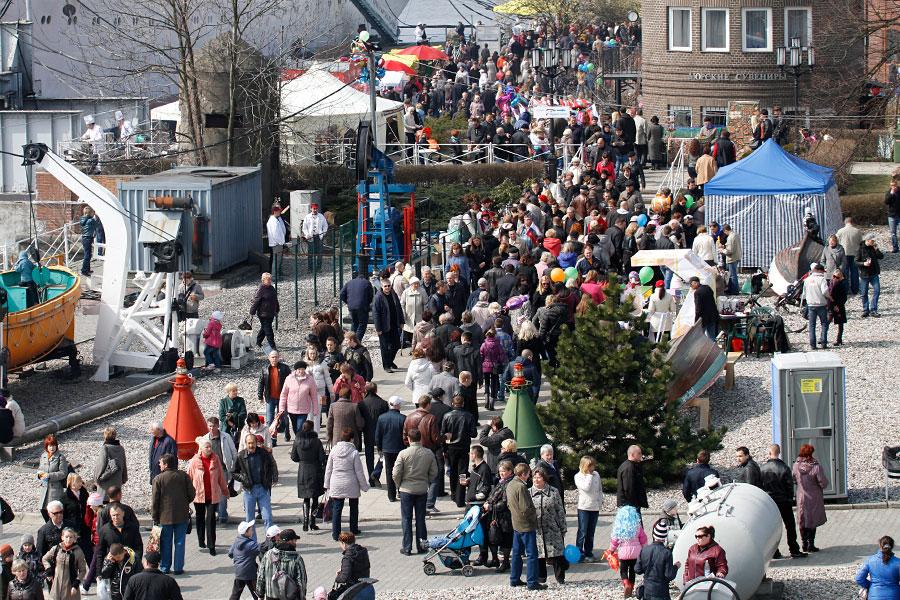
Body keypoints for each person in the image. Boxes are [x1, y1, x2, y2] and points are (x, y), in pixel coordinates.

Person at [392, 428, 437, 555]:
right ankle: (422, 546)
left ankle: (407, 547)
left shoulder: (403, 453)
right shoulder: (428, 453)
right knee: (420, 519)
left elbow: (396, 473)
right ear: (420, 438)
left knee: (406, 519)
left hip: (406, 489)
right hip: (422, 489)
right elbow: (434, 472)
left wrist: (399, 484)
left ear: (409, 439)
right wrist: (426, 481)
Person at [151, 454, 194, 575]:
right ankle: (178, 568)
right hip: (182, 515)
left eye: (160, 462)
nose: (159, 464)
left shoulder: (158, 479)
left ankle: (165, 567)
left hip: (164, 517)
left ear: (166, 464)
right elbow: (191, 494)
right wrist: (184, 502)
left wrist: (155, 516)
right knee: (180, 542)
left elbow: (155, 501)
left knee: (166, 543)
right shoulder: (183, 476)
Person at [760, 444, 806, 559]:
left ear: (769, 453)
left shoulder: (762, 468)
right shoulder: (784, 468)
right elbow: (789, 486)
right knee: (790, 526)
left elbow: (760, 486)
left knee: (771, 528)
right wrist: (790, 500)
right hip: (783, 501)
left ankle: (774, 552)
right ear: (779, 453)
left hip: (769, 502)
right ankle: (794, 550)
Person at [324, 428, 370, 541]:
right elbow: (359, 471)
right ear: (351, 439)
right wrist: (364, 486)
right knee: (353, 506)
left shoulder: (334, 450)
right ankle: (353, 529)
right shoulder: (354, 452)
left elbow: (328, 469)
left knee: (337, 508)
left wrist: (326, 484)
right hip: (351, 482)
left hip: (336, 482)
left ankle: (336, 533)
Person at [506, 463, 544, 591]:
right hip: (526, 525)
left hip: (516, 523)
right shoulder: (521, 487)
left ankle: (514, 579)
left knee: (517, 553)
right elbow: (525, 508)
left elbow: (509, 504)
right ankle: (532, 582)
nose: (529, 477)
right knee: (532, 554)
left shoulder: (510, 484)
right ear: (523, 474)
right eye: (528, 474)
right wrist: (534, 517)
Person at [186, 439, 228, 556]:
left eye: (210, 447)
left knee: (211, 520)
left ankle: (211, 545)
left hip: (212, 495)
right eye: (207, 447)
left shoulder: (215, 459)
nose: (209, 449)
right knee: (200, 518)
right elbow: (189, 478)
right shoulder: (194, 461)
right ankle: (201, 540)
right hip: (199, 495)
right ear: (201, 449)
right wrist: (187, 495)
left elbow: (220, 476)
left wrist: (225, 490)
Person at [232, 434, 278, 537]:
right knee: (250, 519)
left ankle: (270, 541)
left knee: (267, 517)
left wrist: (273, 477)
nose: (251, 445)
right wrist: (243, 478)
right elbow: (234, 472)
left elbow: (272, 464)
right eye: (249, 443)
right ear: (245, 443)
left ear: (256, 443)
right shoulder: (241, 456)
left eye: (253, 443)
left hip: (263, 488)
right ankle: (252, 542)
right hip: (249, 491)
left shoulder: (264, 453)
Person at [530, 467, 567, 585]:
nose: (536, 480)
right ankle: (541, 578)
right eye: (534, 477)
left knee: (557, 553)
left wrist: (563, 527)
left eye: (539, 477)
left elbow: (560, 510)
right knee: (539, 553)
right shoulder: (528, 492)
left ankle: (560, 578)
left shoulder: (553, 491)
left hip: (552, 528)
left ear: (544, 479)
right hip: (537, 530)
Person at [441, 396, 477, 507]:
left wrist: (444, 448)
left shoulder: (447, 416)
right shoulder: (469, 416)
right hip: (464, 447)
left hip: (451, 447)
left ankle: (454, 494)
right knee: (462, 472)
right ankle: (460, 498)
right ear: (463, 403)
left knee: (452, 471)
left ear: (452, 403)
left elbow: (443, 433)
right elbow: (474, 434)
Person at [290, 420, 326, 532]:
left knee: (306, 498)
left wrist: (302, 460)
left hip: (303, 471)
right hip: (315, 470)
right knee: (315, 498)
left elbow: (294, 457)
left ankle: (305, 522)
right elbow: (321, 458)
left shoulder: (297, 440)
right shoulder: (317, 441)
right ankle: (312, 522)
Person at [793, 444, 828, 553]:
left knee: (802, 520)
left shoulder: (796, 465)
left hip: (801, 496)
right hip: (814, 497)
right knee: (812, 520)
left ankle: (804, 544)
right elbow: (823, 483)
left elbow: (793, 478)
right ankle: (811, 545)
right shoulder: (816, 467)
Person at [256, 529, 307, 600]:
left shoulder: (268, 555)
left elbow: (261, 576)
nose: (296, 542)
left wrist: (260, 595)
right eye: (295, 540)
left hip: (271, 596)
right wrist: (302, 597)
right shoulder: (297, 558)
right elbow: (301, 581)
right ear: (290, 541)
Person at [635, 520, 679, 600]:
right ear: (664, 537)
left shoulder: (644, 550)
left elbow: (638, 570)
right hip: (661, 591)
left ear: (654, 535)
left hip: (647, 590)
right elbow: (669, 575)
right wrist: (676, 567)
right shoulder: (667, 553)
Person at [610, 505, 647, 597]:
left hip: (623, 554)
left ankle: (626, 584)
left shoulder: (619, 528)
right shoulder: (637, 526)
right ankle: (631, 587)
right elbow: (643, 539)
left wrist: (611, 550)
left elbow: (614, 541)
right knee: (632, 572)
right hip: (636, 554)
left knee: (623, 570)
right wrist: (645, 549)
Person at [42, 527, 86, 600]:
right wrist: (48, 569)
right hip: (57, 585)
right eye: (66, 537)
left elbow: (83, 570)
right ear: (62, 537)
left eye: (71, 537)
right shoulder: (56, 548)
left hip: (70, 586)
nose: (68, 539)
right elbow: (44, 558)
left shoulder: (78, 552)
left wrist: (76, 583)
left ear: (74, 539)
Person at [257, 351, 291, 448]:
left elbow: (291, 381)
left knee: (283, 418)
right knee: (269, 420)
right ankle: (272, 440)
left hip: (282, 398)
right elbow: (261, 383)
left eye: (276, 357)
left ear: (279, 357)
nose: (274, 359)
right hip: (270, 398)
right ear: (269, 358)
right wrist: (260, 396)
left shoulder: (285, 368)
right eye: (272, 357)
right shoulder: (264, 369)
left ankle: (286, 432)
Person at [278, 360, 317, 441]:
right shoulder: (289, 379)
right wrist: (281, 408)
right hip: (291, 409)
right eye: (299, 369)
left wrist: (315, 409)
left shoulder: (310, 380)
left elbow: (314, 396)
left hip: (304, 409)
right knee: (295, 428)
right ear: (296, 370)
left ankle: (299, 442)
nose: (301, 371)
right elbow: (283, 394)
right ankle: (299, 441)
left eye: (303, 369)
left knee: (300, 427)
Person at [574, 455, 603, 563]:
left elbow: (599, 489)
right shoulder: (578, 476)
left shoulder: (596, 475)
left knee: (591, 532)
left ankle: (588, 552)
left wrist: (600, 501)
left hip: (594, 507)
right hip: (584, 507)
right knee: (582, 532)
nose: (593, 468)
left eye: (593, 466)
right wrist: (589, 476)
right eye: (590, 466)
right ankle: (579, 554)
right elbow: (586, 487)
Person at [855, 536, 900, 600]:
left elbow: (858, 578)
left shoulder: (870, 560)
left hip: (874, 595)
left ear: (880, 545)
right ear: (892, 546)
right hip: (894, 595)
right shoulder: (898, 562)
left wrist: (870, 585)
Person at [373, 278, 403, 373]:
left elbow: (399, 308)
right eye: (385, 286)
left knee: (396, 345)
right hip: (384, 326)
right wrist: (378, 328)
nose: (387, 287)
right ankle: (386, 366)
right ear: (382, 287)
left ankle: (390, 361)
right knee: (385, 347)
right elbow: (376, 313)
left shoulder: (393, 294)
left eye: (389, 286)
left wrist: (401, 321)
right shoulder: (378, 297)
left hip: (394, 324)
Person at [38, 434, 70, 521]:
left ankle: (55, 526)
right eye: (50, 446)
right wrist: (39, 475)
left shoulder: (60, 457)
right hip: (44, 488)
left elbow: (63, 473)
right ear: (46, 447)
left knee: (54, 511)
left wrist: (49, 476)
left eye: (53, 445)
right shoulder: (43, 456)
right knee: (43, 510)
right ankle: (49, 526)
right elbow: (40, 469)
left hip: (55, 489)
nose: (52, 448)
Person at [227, 520, 259, 600]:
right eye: (250, 529)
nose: (252, 531)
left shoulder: (237, 541)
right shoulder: (251, 544)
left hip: (239, 572)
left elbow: (230, 553)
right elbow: (261, 549)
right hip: (250, 574)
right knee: (258, 594)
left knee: (235, 594)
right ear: (246, 532)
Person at [803, 263, 831, 350]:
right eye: (823, 271)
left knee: (812, 325)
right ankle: (823, 343)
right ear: (820, 270)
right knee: (824, 323)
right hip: (821, 304)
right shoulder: (822, 279)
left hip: (811, 304)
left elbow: (804, 293)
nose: (823, 273)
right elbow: (824, 291)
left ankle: (813, 345)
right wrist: (829, 297)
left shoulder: (807, 279)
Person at [340, 272, 375, 341]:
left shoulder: (349, 282)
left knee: (354, 322)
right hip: (362, 307)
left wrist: (348, 302)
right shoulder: (367, 283)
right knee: (362, 324)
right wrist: (367, 303)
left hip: (351, 307)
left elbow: (341, 294)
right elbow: (371, 296)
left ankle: (351, 340)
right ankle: (356, 341)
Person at [250, 273, 279, 351]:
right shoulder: (261, 289)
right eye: (268, 279)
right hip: (263, 313)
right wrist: (252, 311)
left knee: (264, 328)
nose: (270, 281)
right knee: (268, 330)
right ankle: (272, 346)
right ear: (263, 280)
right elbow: (256, 301)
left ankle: (258, 341)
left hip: (271, 312)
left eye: (270, 279)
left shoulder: (272, 288)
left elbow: (275, 300)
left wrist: (277, 309)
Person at [93, 426, 128, 493]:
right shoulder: (121, 448)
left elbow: (101, 464)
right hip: (118, 480)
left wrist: (96, 479)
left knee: (104, 498)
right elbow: (124, 464)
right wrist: (124, 478)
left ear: (105, 435)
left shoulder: (105, 448)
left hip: (106, 481)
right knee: (115, 498)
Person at [857, 232, 883, 318]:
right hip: (864, 274)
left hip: (874, 273)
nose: (874, 242)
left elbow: (881, 256)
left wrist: (876, 249)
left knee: (877, 291)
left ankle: (873, 309)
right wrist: (863, 263)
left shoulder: (873, 248)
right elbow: (855, 262)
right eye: (872, 241)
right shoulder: (860, 249)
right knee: (864, 293)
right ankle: (865, 310)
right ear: (868, 240)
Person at [617, 445, 649, 513]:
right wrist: (632, 506)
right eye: (639, 453)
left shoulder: (631, 465)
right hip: (630, 505)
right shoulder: (629, 468)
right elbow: (628, 489)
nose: (641, 455)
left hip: (632, 504)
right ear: (632, 454)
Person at [836, 217, 862, 294]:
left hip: (844, 254)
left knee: (845, 272)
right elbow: (861, 243)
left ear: (845, 222)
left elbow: (836, 241)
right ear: (852, 222)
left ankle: (846, 289)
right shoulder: (857, 231)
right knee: (855, 272)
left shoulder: (840, 231)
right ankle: (855, 289)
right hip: (855, 254)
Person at [302, 203, 328, 271]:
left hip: (319, 236)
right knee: (310, 253)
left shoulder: (321, 216)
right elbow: (304, 228)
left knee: (319, 253)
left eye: (316, 208)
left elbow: (325, 225)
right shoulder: (307, 217)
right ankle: (310, 269)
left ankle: (318, 268)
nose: (315, 210)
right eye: (314, 208)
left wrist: (323, 233)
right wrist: (307, 235)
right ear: (311, 209)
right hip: (311, 237)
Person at [266, 204, 288, 275]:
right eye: (278, 211)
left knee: (279, 260)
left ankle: (278, 274)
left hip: (279, 242)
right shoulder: (273, 221)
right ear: (275, 211)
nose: (280, 212)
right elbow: (275, 234)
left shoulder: (277, 219)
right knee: (276, 261)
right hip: (277, 243)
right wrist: (281, 242)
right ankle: (274, 276)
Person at [829, 270, 849, 346]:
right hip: (832, 305)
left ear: (840, 278)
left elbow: (844, 298)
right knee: (827, 322)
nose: (835, 278)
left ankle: (839, 339)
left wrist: (837, 305)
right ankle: (823, 338)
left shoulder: (842, 285)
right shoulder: (830, 283)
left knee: (840, 324)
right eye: (834, 276)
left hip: (839, 306)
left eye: (837, 277)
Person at [79, 206, 98, 276]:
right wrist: (96, 216)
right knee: (87, 255)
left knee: (88, 254)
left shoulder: (82, 218)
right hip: (88, 238)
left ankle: (87, 269)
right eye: (93, 212)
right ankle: (84, 270)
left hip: (84, 238)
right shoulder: (91, 220)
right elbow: (97, 224)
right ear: (90, 213)